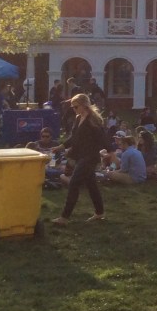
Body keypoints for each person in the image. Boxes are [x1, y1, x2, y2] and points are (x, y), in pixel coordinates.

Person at [50, 94, 107, 225]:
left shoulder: (93, 120)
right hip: (81, 156)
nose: (73, 109)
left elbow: (102, 138)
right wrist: (60, 147)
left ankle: (64, 217)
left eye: (75, 107)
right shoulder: (78, 118)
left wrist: (108, 153)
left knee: (74, 183)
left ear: (83, 106)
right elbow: (73, 138)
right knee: (91, 185)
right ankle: (100, 212)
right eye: (72, 107)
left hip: (90, 157)